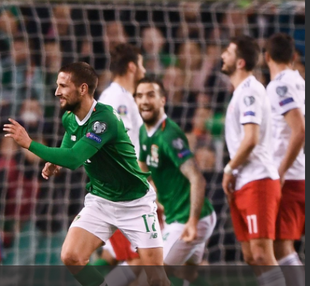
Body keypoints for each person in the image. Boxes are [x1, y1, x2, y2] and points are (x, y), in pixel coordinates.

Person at [3, 62, 168, 286]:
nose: (56, 92)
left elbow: (73, 159)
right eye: (56, 85)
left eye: (63, 86)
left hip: (135, 202)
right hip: (101, 200)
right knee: (71, 256)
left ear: (82, 89)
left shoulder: (104, 120)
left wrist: (29, 143)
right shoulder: (69, 117)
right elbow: (70, 138)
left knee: (156, 278)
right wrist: (54, 159)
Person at [115, 77, 215, 285]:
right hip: (174, 216)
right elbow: (143, 167)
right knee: (188, 274)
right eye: (140, 95)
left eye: (151, 95)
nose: (144, 100)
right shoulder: (144, 132)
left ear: (162, 100)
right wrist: (154, 195)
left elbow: (198, 179)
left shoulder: (169, 135)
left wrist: (193, 222)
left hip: (188, 220)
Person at [220, 36, 285, 286]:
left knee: (262, 254)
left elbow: (251, 139)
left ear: (240, 62)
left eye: (228, 51)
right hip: (243, 180)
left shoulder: (250, 91)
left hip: (258, 179)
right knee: (250, 255)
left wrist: (229, 169)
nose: (223, 55)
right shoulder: (239, 93)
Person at [263, 33, 305, 286]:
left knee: (281, 247)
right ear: (294, 57)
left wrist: (280, 171)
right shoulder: (300, 82)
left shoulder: (279, 85)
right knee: (280, 247)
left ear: (266, 57)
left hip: (288, 177)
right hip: (297, 174)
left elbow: (299, 130)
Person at [98, 43, 146, 159]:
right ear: (132, 67)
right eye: (141, 65)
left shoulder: (116, 95)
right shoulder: (119, 98)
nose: (144, 71)